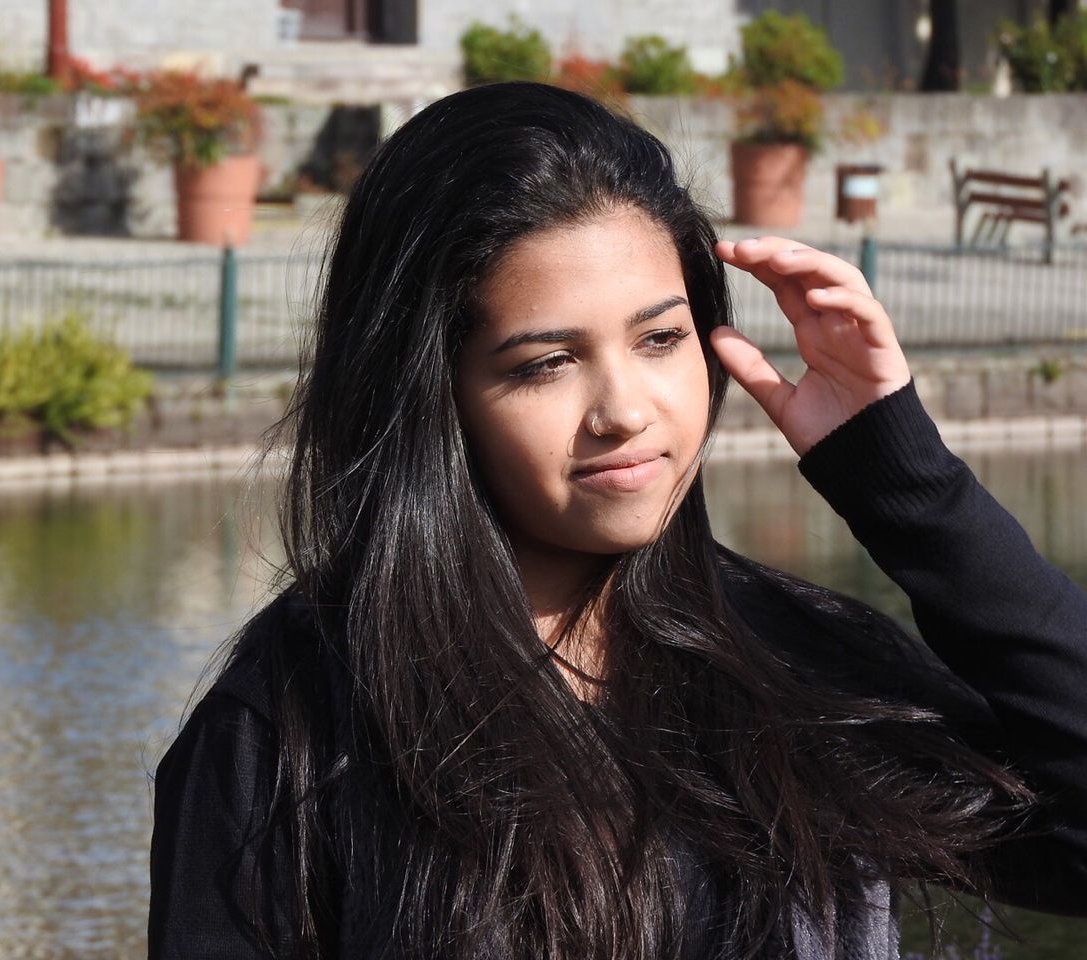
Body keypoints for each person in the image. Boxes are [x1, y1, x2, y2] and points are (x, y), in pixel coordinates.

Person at [149, 82, 1087, 960]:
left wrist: (909, 488)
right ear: (431, 396)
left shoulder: (797, 663)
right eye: (546, 363)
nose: (626, 410)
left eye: (660, 339)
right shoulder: (290, 731)